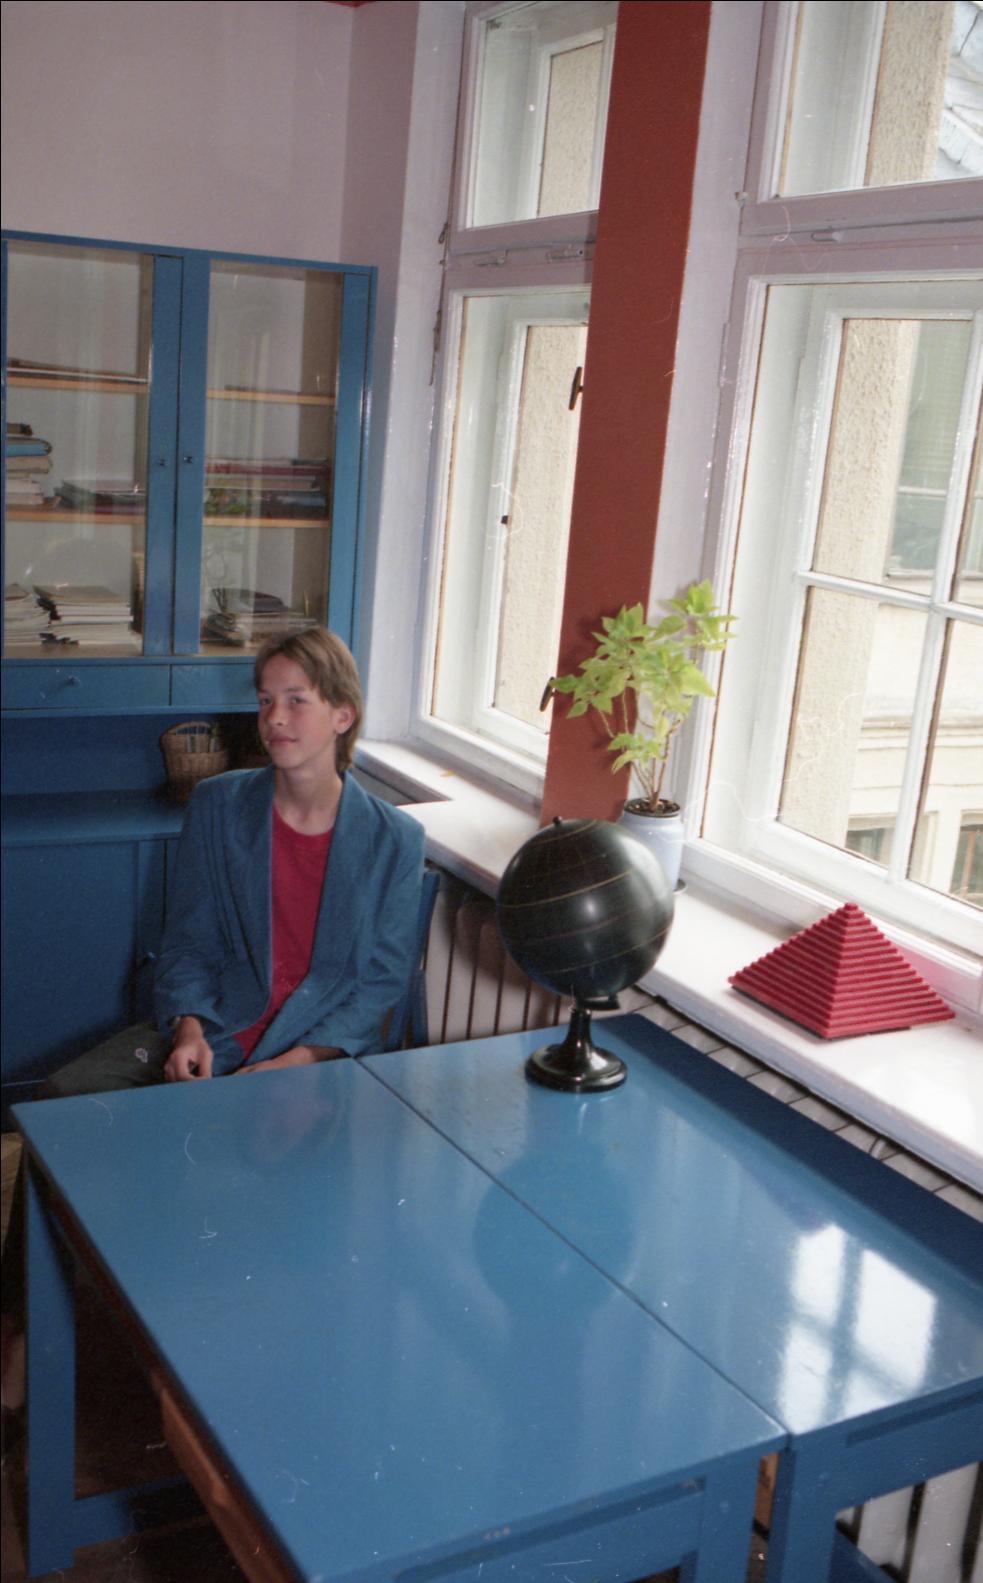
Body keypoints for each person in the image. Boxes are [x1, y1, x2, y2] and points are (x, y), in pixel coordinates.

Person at [1, 627, 425, 1428]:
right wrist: (190, 1028)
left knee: (221, 1173)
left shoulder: (392, 841)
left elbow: (378, 985)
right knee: (60, 1102)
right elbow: (188, 942)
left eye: (296, 700)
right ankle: (24, 1330)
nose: (275, 718)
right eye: (265, 701)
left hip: (317, 1060)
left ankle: (204, 1361)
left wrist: (298, 1062)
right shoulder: (221, 805)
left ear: (343, 714)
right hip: (218, 1032)